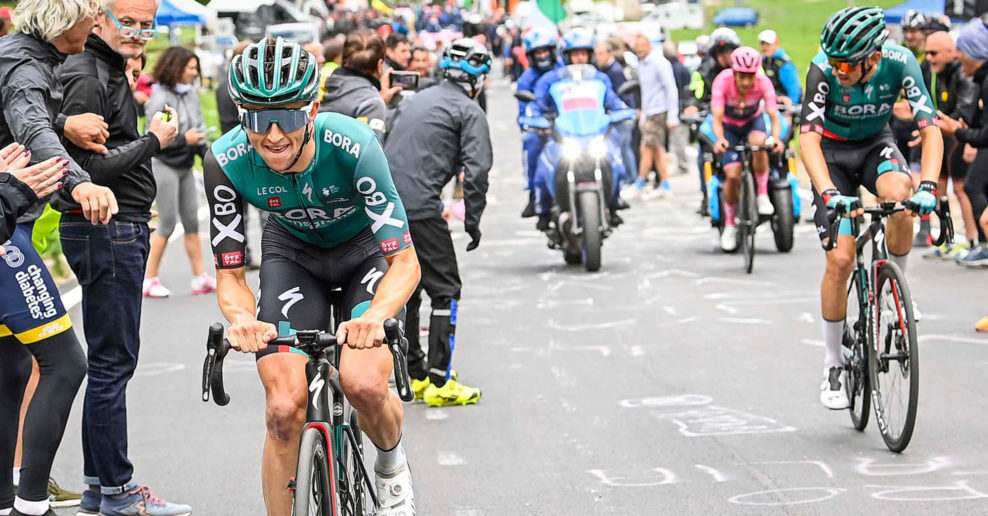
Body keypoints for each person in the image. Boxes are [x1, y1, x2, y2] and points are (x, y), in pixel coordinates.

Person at [205, 37, 421, 516]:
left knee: (363, 384)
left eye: (290, 115)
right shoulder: (225, 161)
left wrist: (377, 316)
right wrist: (242, 319)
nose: (275, 134)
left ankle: (389, 464)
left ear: (315, 108)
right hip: (293, 255)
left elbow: (405, 262)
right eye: (259, 119)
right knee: (283, 410)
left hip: (364, 252)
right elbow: (231, 273)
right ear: (242, 117)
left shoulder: (355, 146)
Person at [53, 1, 189, 514]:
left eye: (147, 24)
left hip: (114, 226)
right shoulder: (89, 73)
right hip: (106, 228)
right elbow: (84, 168)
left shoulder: (104, 68)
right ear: (98, 18)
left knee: (110, 362)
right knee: (112, 364)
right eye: (127, 21)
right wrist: (156, 140)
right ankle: (117, 491)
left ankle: (99, 486)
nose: (137, 32)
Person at [0, 0, 127, 513]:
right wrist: (80, 184)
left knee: (9, 369)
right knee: (66, 363)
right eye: (91, 15)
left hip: (12, 222)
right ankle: (33, 502)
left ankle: (8, 501)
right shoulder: (25, 66)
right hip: (9, 237)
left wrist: (67, 121)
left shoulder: (22, 55)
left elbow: (32, 118)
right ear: (62, 22)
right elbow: (31, 127)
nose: (97, 24)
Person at [800, 7, 942, 410]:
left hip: (875, 146)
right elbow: (807, 140)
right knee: (841, 259)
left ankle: (896, 288)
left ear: (873, 59)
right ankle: (832, 362)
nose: (838, 69)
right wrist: (827, 192)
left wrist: (928, 186)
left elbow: (930, 130)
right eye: (833, 60)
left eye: (846, 63)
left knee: (901, 196)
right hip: (831, 155)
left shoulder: (900, 62)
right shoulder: (823, 70)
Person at [385, 38, 492, 407]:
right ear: (477, 80)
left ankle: (413, 375)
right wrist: (473, 222)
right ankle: (440, 380)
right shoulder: (469, 110)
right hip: (420, 208)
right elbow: (476, 171)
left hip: (385, 206)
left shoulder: (416, 99)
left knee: (409, 288)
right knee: (445, 289)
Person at [530, 28, 629, 229]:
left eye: (583, 53)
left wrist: (623, 111)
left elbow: (614, 102)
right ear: (566, 56)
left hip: (594, 135)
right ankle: (542, 207)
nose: (579, 58)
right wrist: (536, 119)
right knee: (542, 160)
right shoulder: (551, 79)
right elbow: (536, 105)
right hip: (562, 136)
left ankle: (615, 200)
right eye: (575, 54)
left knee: (616, 156)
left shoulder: (600, 79)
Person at [142, 46, 214, 298]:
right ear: (177, 67)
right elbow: (155, 136)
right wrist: (186, 139)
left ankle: (200, 277)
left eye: (196, 68)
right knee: (167, 223)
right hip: (164, 163)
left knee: (192, 222)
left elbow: (198, 125)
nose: (195, 72)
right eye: (191, 68)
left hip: (185, 165)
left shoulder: (190, 93)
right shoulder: (159, 96)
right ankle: (149, 279)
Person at [711, 47, 784, 252]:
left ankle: (761, 194)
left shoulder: (763, 82)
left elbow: (773, 116)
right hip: (729, 126)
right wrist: (720, 139)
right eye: (741, 76)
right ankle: (731, 224)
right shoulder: (722, 81)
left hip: (753, 123)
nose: (745, 82)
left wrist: (775, 139)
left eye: (750, 77)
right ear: (734, 72)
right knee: (732, 175)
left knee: (759, 142)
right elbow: (716, 117)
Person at [918, 31, 979, 261]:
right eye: (927, 53)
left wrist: (936, 122)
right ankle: (947, 239)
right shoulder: (939, 71)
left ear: (949, 52)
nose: (929, 58)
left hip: (960, 135)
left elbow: (965, 111)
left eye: (933, 53)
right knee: (939, 185)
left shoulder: (962, 72)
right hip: (945, 134)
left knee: (962, 188)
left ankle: (973, 240)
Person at [938, 20, 988, 270]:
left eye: (962, 51)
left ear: (976, 53)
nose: (957, 56)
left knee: (972, 187)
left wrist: (958, 131)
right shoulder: (981, 78)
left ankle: (982, 246)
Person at [320, 29, 400, 141]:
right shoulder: (371, 104)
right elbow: (371, 154)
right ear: (379, 65)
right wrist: (377, 101)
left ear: (344, 59)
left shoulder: (320, 85)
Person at [629, 33, 680, 200]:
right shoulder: (642, 64)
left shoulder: (659, 63)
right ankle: (665, 184)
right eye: (636, 46)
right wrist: (643, 113)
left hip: (659, 110)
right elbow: (646, 92)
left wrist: (673, 115)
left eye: (642, 45)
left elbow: (671, 88)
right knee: (657, 149)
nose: (639, 49)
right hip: (649, 111)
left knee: (646, 148)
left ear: (649, 45)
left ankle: (640, 183)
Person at [516, 27, 557, 218]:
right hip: (541, 127)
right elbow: (524, 112)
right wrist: (533, 123)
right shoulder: (526, 80)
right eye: (538, 52)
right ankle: (534, 194)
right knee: (531, 142)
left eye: (545, 51)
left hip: (568, 124)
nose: (542, 55)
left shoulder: (564, 70)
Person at [757, 29, 802, 110]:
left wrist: (791, 109)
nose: (764, 47)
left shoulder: (785, 65)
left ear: (776, 44)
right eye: (762, 44)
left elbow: (794, 90)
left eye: (768, 44)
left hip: (782, 105)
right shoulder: (760, 62)